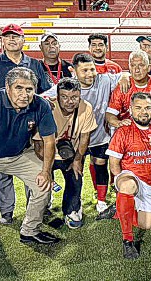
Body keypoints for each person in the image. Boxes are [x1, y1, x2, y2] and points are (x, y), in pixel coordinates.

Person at [0, 67, 59, 262]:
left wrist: (46, 171)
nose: (25, 94)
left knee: (43, 186)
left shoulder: (40, 105)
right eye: (19, 88)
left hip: (19, 154)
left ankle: (30, 231)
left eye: (30, 89)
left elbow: (49, 141)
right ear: (7, 87)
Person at [0, 23, 53, 225]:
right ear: (2, 40)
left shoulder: (35, 64)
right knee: (2, 173)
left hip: (28, 125)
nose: (11, 39)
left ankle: (36, 209)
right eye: (7, 36)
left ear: (23, 41)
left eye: (16, 36)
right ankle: (6, 211)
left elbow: (44, 92)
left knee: (32, 169)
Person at [106, 92, 151, 260]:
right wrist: (119, 185)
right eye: (138, 108)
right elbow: (114, 162)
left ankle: (120, 208)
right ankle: (127, 240)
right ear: (131, 110)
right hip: (130, 176)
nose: (143, 112)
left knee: (146, 224)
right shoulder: (123, 130)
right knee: (128, 186)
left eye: (147, 108)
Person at [65, 53, 128, 217]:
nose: (90, 74)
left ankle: (101, 201)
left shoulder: (104, 80)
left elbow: (125, 74)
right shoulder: (67, 87)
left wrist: (124, 77)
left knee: (100, 165)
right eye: (84, 70)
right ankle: (75, 206)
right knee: (75, 170)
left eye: (92, 69)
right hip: (77, 139)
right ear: (74, 71)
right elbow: (46, 96)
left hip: (100, 135)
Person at [33, 77, 97, 228]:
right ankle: (41, 208)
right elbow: (37, 144)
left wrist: (78, 160)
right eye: (64, 97)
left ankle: (72, 210)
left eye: (74, 97)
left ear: (80, 95)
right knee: (40, 181)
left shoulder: (86, 107)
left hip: (71, 153)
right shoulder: (47, 108)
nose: (69, 101)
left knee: (75, 178)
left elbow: (85, 136)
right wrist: (46, 168)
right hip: (45, 153)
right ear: (57, 96)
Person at [106, 50, 151, 125]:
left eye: (141, 65)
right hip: (128, 131)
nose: (137, 70)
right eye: (133, 65)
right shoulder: (122, 87)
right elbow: (110, 114)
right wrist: (119, 123)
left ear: (149, 67)